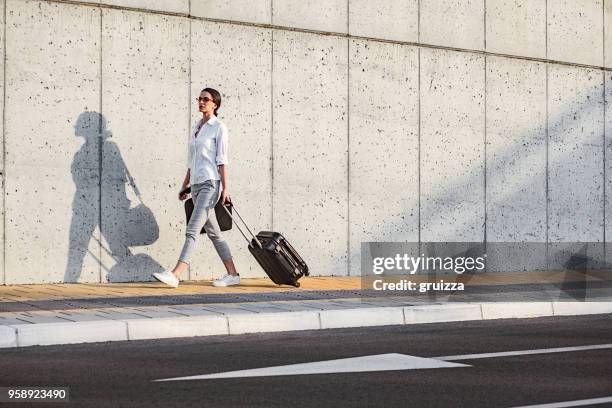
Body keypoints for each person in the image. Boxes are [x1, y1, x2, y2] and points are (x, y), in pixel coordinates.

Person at [153, 88, 239, 288]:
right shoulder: (197, 127)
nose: (201, 102)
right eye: (199, 99)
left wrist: (225, 189)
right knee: (214, 233)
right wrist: (185, 186)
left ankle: (175, 274)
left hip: (211, 184)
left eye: (205, 99)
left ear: (214, 104)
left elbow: (222, 161)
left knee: (192, 229)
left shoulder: (219, 127)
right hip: (197, 185)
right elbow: (192, 161)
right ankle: (232, 274)